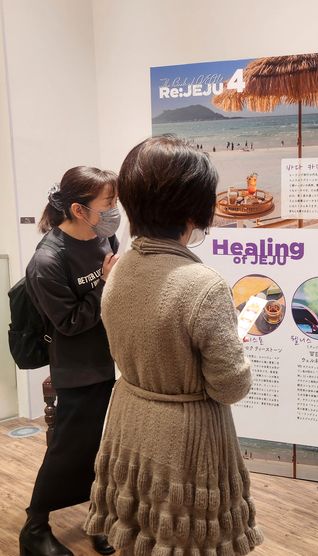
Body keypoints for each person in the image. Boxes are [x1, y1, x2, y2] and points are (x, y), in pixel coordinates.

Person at [84, 135, 263, 554]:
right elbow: (230, 386)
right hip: (188, 437)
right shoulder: (202, 285)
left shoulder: (120, 269)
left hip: (129, 421)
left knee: (140, 532)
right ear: (194, 209)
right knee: (186, 540)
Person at [19, 167, 121, 556]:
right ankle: (35, 526)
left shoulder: (103, 236)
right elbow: (69, 323)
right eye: (108, 203)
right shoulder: (47, 261)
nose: (114, 211)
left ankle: (100, 516)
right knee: (68, 450)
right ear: (80, 209)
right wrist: (105, 286)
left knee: (105, 449)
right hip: (79, 369)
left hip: (114, 362)